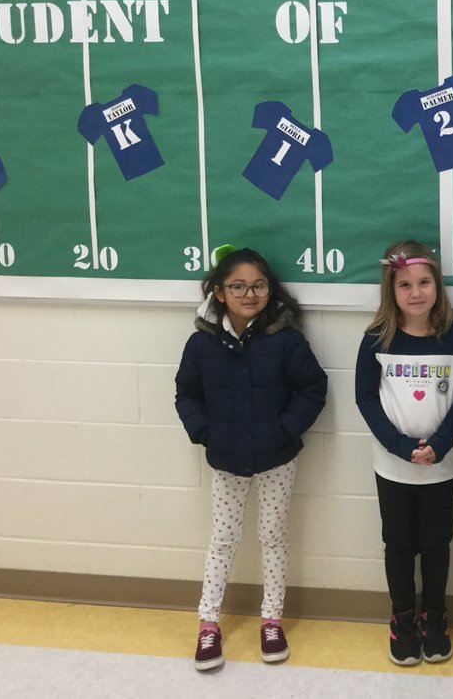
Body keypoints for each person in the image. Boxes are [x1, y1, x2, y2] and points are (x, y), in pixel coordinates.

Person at [174, 246, 328, 672]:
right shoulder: (201, 344)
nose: (249, 293)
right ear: (220, 292)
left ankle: (272, 620)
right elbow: (186, 393)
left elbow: (313, 388)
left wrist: (284, 430)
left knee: (273, 535)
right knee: (223, 539)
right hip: (225, 458)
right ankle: (208, 624)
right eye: (238, 286)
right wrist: (206, 433)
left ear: (269, 290)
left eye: (258, 285)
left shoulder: (285, 340)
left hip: (277, 457)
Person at [355, 240, 453, 666]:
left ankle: (435, 616)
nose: (415, 292)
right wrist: (402, 447)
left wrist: (439, 445)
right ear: (390, 290)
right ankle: (402, 619)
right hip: (392, 467)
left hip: (443, 467)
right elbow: (365, 400)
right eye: (404, 284)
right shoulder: (376, 340)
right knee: (398, 544)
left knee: (437, 544)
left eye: (424, 282)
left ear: (437, 285)